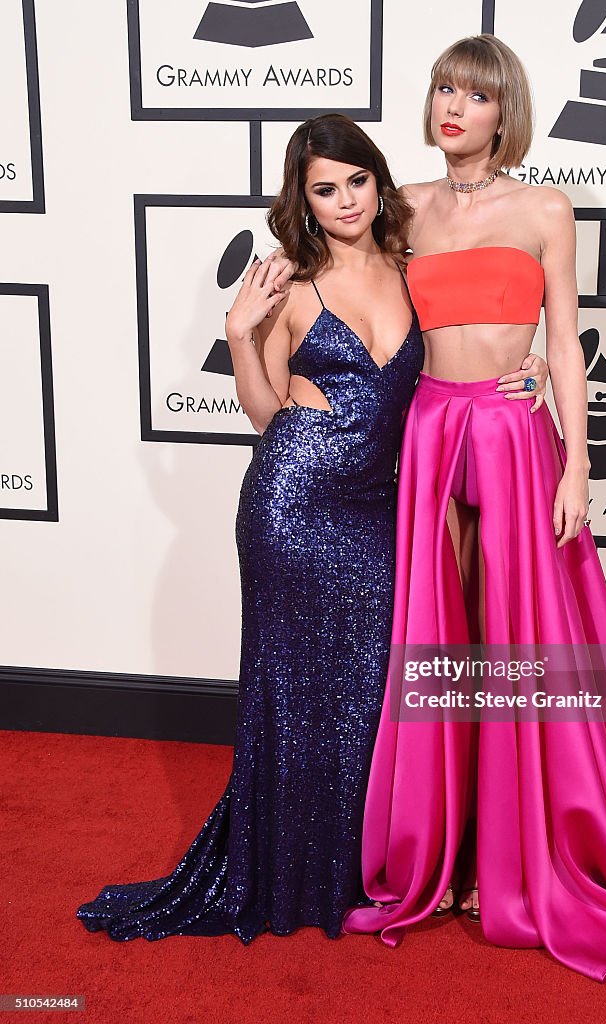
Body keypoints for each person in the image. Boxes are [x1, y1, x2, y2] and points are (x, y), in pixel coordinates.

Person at [327, 35, 606, 982]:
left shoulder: (546, 206)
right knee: (447, 634)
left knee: (518, 639)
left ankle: (518, 850)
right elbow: (350, 289)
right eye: (441, 89)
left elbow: (563, 339)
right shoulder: (398, 210)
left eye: (473, 96)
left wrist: (577, 463)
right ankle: (454, 842)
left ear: (501, 111)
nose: (452, 109)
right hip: (430, 432)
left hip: (516, 439)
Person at [77, 114, 426, 942]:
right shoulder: (290, 287)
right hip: (291, 504)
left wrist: (518, 364)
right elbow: (268, 413)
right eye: (324, 189)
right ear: (302, 202)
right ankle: (285, 873)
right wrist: (240, 334)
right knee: (293, 692)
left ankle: (346, 867)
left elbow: (454, 373)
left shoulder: (417, 272)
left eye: (357, 181)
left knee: (364, 692)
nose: (344, 201)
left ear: (379, 182)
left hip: (377, 508)